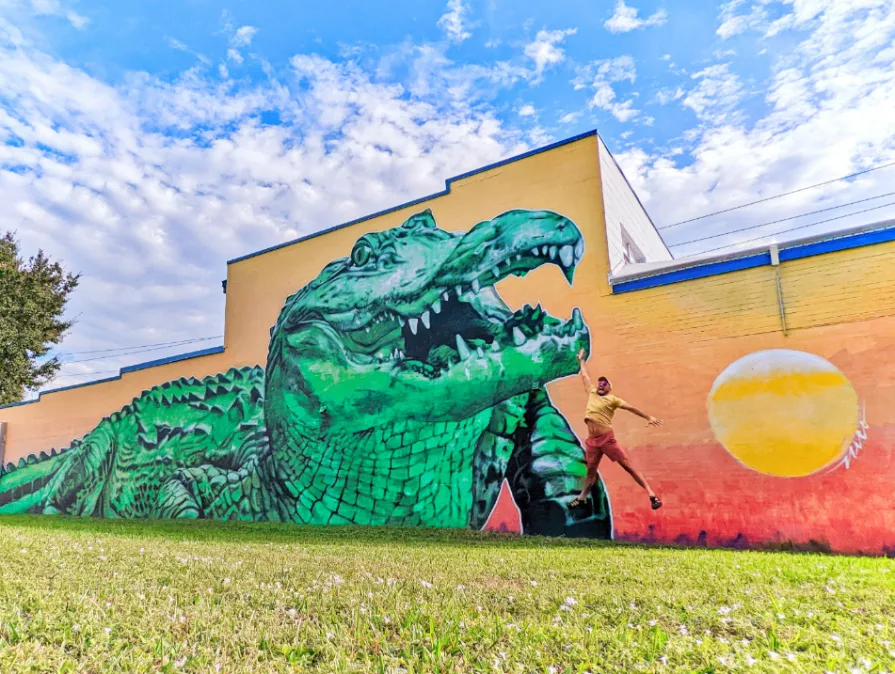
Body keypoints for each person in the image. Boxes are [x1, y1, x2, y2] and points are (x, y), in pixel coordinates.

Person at [570, 349, 663, 510]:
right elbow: (585, 377)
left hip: (607, 439)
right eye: (600, 383)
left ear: (609, 388)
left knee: (628, 467)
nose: (600, 385)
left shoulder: (613, 400)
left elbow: (631, 408)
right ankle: (582, 498)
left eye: (604, 384)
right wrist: (581, 361)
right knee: (590, 471)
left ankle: (652, 494)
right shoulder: (592, 393)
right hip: (592, 442)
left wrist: (649, 417)